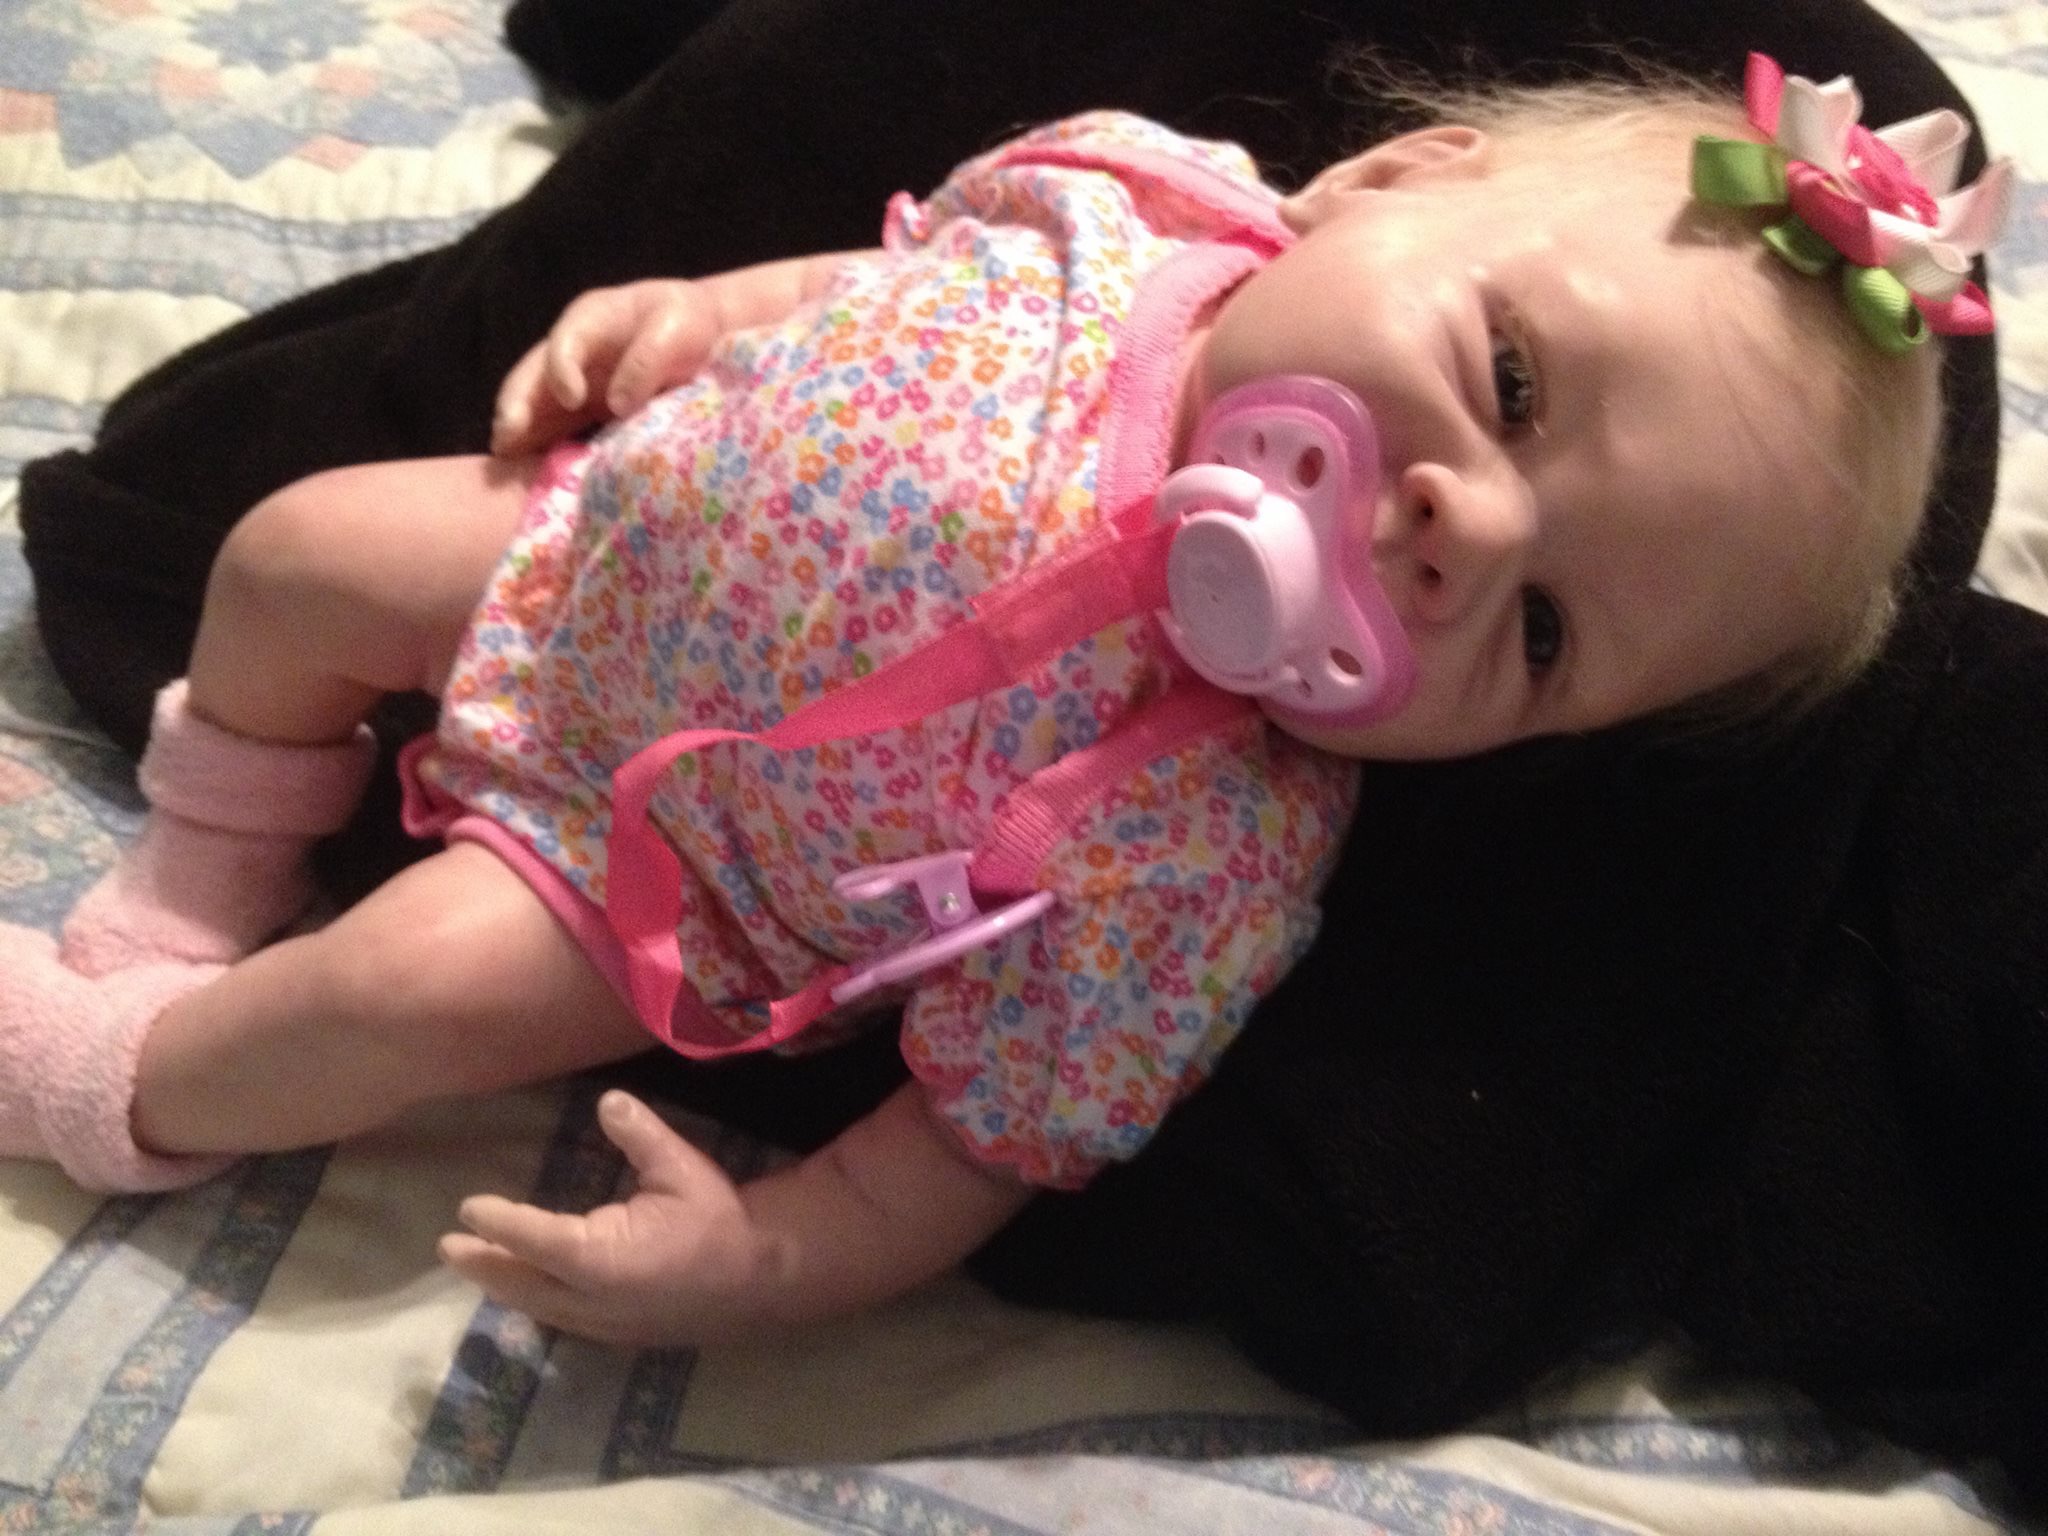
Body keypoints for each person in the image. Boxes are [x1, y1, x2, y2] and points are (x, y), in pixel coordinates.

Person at [0, 62, 2001, 1347]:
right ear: (1389, 179)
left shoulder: (1215, 840)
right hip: (572, 544)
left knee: (384, 1002)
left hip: (653, 875)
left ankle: (122, 1087)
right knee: (289, 553)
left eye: (1545, 632)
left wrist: (761, 1267)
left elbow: (978, 1140)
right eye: (1513, 385)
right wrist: (690, 315)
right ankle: (194, 878)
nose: (1460, 534)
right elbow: (872, 276)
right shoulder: (1130, 208)